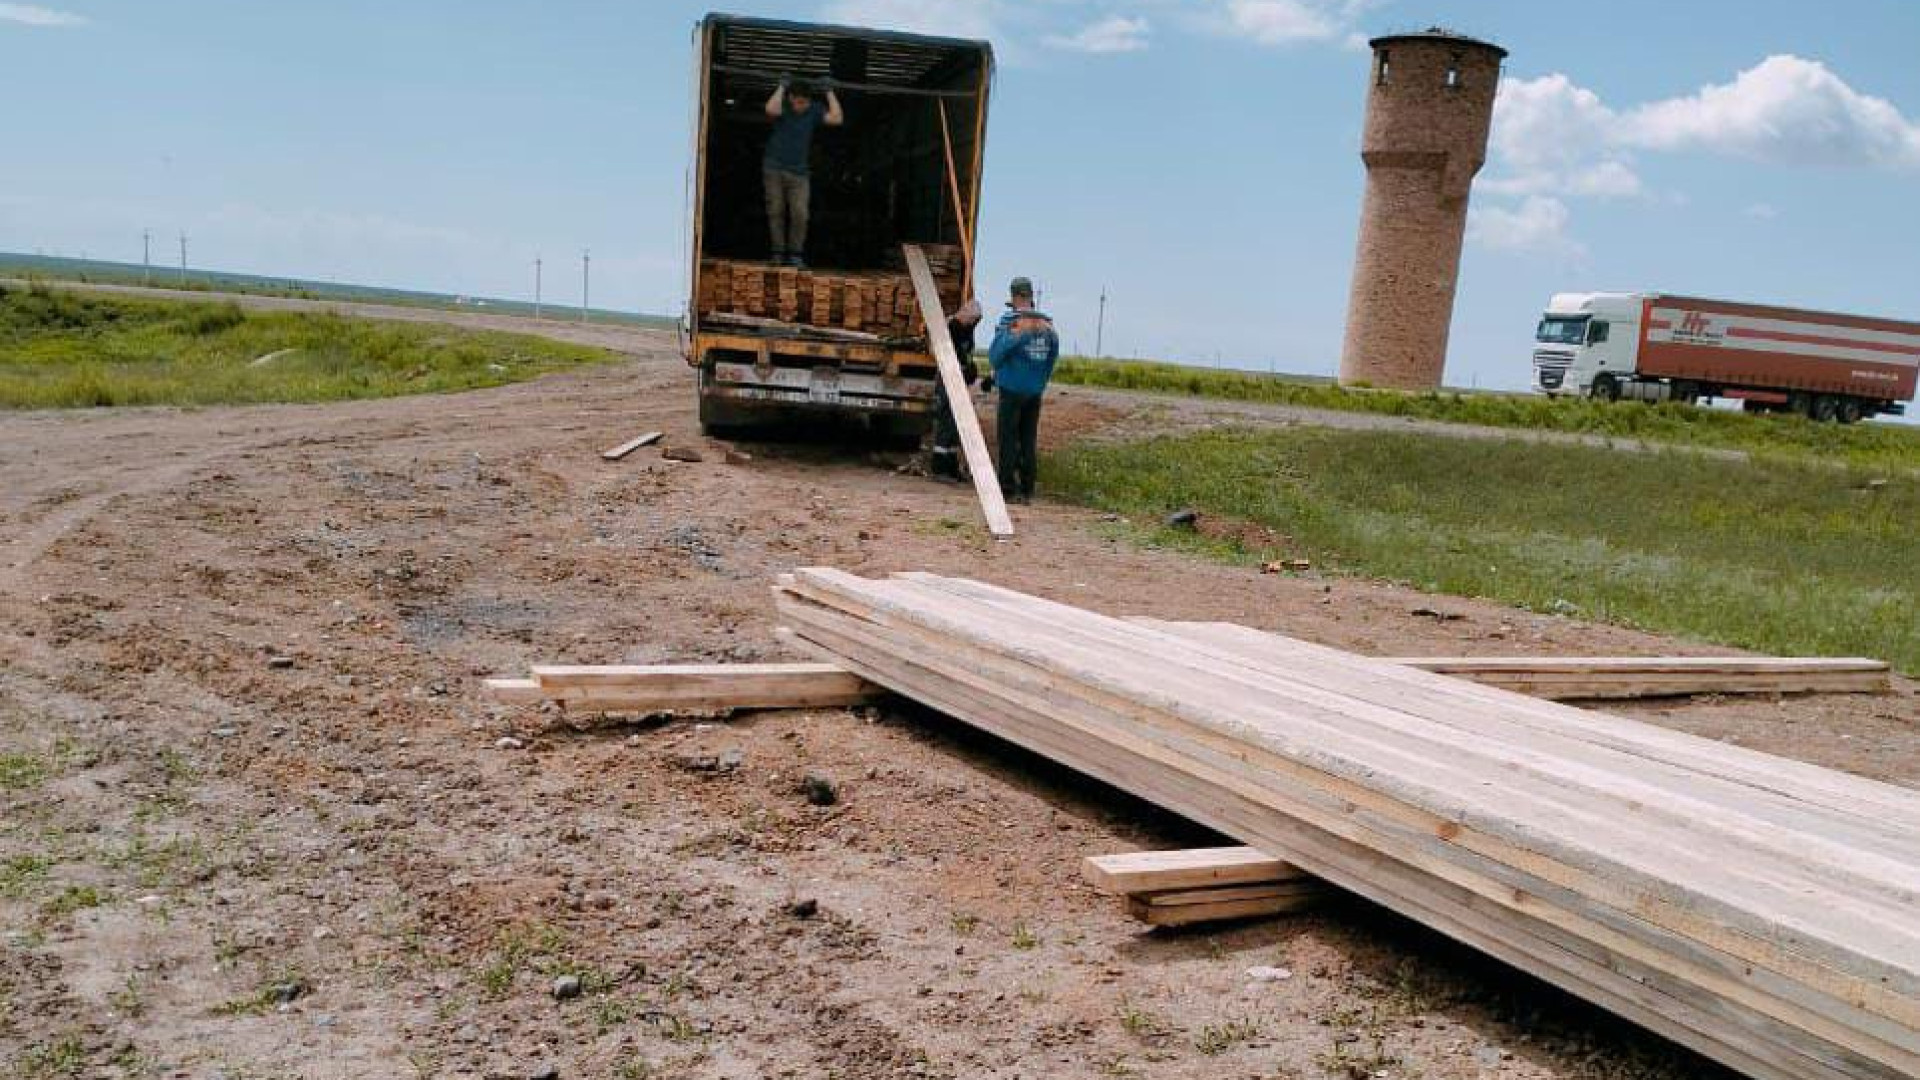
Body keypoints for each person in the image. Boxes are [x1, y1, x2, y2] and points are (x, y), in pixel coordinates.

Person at [986, 277, 1060, 503]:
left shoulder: (1013, 323)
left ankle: (1007, 488)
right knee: (1028, 439)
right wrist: (1040, 382)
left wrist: (998, 372)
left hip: (1011, 389)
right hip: (1034, 391)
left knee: (1007, 438)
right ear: (1031, 297)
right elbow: (1052, 358)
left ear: (1015, 297)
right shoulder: (1048, 327)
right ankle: (1027, 489)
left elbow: (995, 356)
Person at [763, 77, 843, 268]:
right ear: (791, 98)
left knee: (800, 213)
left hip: (800, 172)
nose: (802, 106)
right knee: (776, 210)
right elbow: (770, 110)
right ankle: (778, 253)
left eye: (805, 102)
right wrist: (781, 86)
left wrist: (829, 92)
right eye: (798, 102)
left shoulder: (814, 110)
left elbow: (837, 118)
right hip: (774, 168)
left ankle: (795, 254)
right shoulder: (782, 106)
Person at [930, 298, 984, 481]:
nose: (974, 324)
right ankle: (939, 468)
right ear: (965, 314)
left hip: (959, 382)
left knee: (955, 425)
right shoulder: (950, 328)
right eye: (973, 320)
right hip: (948, 381)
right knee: (946, 421)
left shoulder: (967, 330)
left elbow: (966, 354)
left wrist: (970, 368)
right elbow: (946, 356)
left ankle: (951, 465)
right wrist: (962, 367)